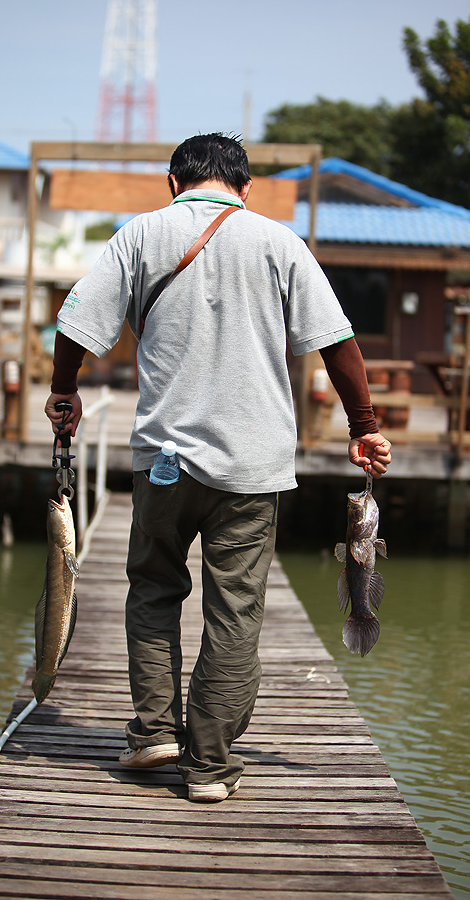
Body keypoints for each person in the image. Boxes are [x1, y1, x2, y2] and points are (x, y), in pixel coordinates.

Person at [45, 133, 392, 803]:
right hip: (251, 466)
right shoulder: (280, 242)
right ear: (245, 187)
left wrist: (66, 391)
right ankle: (207, 767)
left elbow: (76, 322)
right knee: (235, 613)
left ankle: (152, 732)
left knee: (152, 590)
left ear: (173, 182)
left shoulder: (139, 235)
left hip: (164, 462)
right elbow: (338, 340)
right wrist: (363, 427)